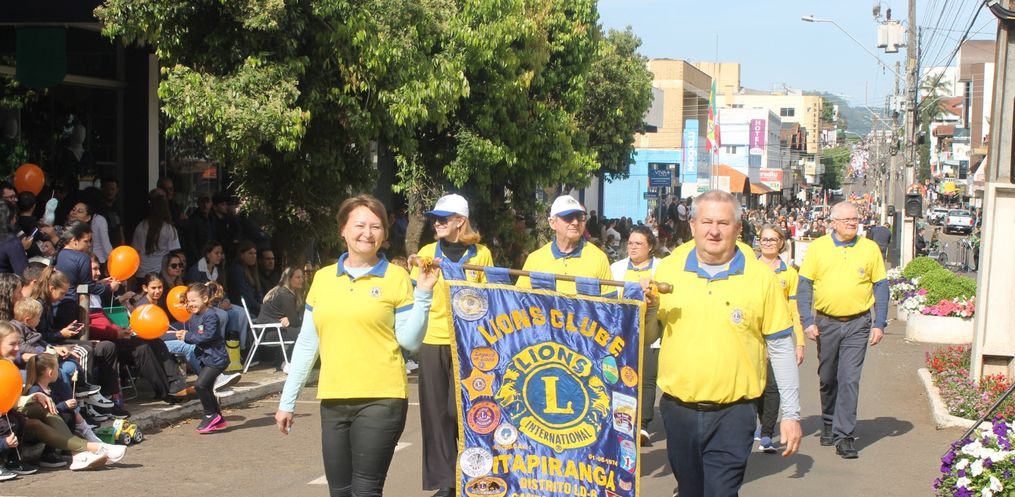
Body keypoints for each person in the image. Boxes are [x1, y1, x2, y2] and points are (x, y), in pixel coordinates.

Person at [275, 194, 439, 497]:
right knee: (339, 492)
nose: (368, 233)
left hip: (382, 398)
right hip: (334, 399)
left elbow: (410, 341)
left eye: (376, 227)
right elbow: (308, 343)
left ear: (384, 234)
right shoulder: (323, 279)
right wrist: (288, 400)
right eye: (360, 225)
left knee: (365, 491)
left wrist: (425, 294)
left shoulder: (396, 277)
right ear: (343, 229)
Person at [653, 190, 801, 497]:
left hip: (734, 413)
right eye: (706, 222)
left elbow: (781, 348)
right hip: (678, 410)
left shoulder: (761, 278)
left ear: (738, 228)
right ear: (692, 225)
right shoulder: (668, 271)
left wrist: (791, 414)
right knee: (690, 491)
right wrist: (646, 310)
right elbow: (649, 335)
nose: (714, 231)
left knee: (721, 491)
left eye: (723, 223)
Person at [411, 194, 493, 497]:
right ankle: (446, 483)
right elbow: (416, 295)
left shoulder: (481, 254)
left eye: (443, 218)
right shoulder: (426, 253)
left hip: (469, 345)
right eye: (435, 218)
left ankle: (473, 472)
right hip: (433, 340)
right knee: (436, 415)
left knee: (461, 412)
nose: (436, 223)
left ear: (460, 221)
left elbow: (491, 298)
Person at [797, 201, 888, 459]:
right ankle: (828, 420)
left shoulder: (869, 248)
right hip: (826, 323)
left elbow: (881, 286)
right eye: (846, 220)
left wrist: (879, 323)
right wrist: (807, 321)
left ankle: (844, 435)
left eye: (855, 219)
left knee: (849, 378)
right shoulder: (818, 248)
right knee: (828, 377)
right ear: (833, 223)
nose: (852, 223)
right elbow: (804, 285)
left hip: (858, 323)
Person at [0, 322, 124, 471]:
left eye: (18, 344)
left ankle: (81, 452)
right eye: (12, 344)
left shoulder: (8, 365)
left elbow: (10, 400)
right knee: (34, 421)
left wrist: (35, 396)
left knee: (45, 408)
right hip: (6, 423)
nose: (17, 348)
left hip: (10, 416)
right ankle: (92, 448)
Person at [755, 224, 806, 454]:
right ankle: (760, 422)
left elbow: (795, 310)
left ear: (781, 243)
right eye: (764, 239)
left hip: (778, 335)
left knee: (773, 385)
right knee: (756, 385)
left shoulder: (789, 273)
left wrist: (800, 342)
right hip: (754, 335)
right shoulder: (750, 270)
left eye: (772, 239)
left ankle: (767, 433)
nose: (768, 243)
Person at [609, 225, 662, 446]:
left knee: (647, 378)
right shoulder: (616, 268)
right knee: (621, 377)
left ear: (650, 247)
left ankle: (643, 425)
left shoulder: (661, 268)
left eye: (639, 243)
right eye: (630, 243)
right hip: (622, 333)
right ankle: (621, 422)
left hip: (651, 330)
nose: (633, 247)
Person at [516, 195, 611, 294]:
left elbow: (610, 301)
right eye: (568, 217)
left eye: (579, 217)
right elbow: (520, 298)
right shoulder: (535, 259)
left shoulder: (599, 258)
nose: (575, 222)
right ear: (552, 223)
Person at [175, 282, 230, 433]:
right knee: (207, 387)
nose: (190, 304)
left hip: (217, 358)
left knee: (200, 385)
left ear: (205, 299)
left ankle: (210, 414)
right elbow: (195, 336)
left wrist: (187, 336)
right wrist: (184, 335)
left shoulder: (211, 315)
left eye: (194, 300)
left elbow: (207, 336)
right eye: (188, 301)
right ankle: (218, 418)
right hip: (205, 358)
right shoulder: (194, 316)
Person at [24, 353, 102, 443]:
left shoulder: (49, 387)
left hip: (50, 424)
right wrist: (65, 405)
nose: (59, 372)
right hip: (43, 429)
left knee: (70, 414)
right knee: (67, 416)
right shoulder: (36, 390)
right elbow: (46, 412)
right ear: (50, 373)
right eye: (57, 369)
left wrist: (67, 405)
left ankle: (70, 440)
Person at [256, 267, 306, 371]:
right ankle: (287, 360)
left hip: (273, 330)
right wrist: (292, 319)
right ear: (288, 279)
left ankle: (284, 360)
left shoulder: (285, 292)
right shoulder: (284, 295)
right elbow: (295, 322)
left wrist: (290, 318)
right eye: (297, 277)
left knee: (301, 330)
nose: (301, 279)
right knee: (305, 332)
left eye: (302, 277)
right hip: (269, 333)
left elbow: (294, 318)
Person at [131, 189, 181, 279]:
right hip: (161, 274)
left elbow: (134, 252)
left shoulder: (141, 226)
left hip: (141, 273)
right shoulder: (169, 229)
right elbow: (175, 254)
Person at [227, 241, 264, 316]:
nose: (253, 256)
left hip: (254, 308)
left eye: (255, 253)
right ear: (242, 255)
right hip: (243, 309)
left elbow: (259, 291)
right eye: (250, 253)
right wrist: (260, 306)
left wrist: (262, 305)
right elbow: (243, 295)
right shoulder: (237, 270)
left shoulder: (253, 270)